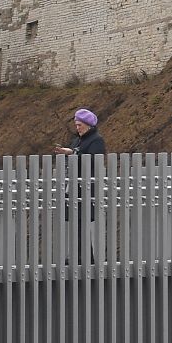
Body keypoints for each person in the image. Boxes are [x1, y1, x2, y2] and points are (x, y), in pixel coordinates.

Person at [55, 107, 105, 262]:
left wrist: (73, 153)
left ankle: (86, 258)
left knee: (82, 224)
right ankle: (78, 256)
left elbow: (93, 160)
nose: (77, 128)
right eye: (76, 125)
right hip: (74, 188)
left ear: (88, 125)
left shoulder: (96, 140)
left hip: (86, 189)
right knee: (75, 224)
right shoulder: (77, 140)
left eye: (80, 125)